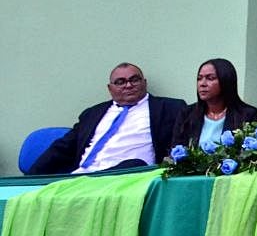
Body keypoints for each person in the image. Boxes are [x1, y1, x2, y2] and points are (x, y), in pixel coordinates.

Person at [29, 62, 186, 174]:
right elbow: (63, 147)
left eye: (134, 79)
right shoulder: (92, 114)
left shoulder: (171, 108)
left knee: (135, 163)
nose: (128, 85)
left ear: (144, 83)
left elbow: (184, 142)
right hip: (83, 175)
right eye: (120, 82)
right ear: (110, 89)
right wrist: (30, 178)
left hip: (129, 174)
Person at [175, 58, 257, 149]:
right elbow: (176, 149)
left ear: (226, 81)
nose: (202, 84)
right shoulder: (187, 114)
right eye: (199, 78)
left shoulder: (247, 115)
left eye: (210, 78)